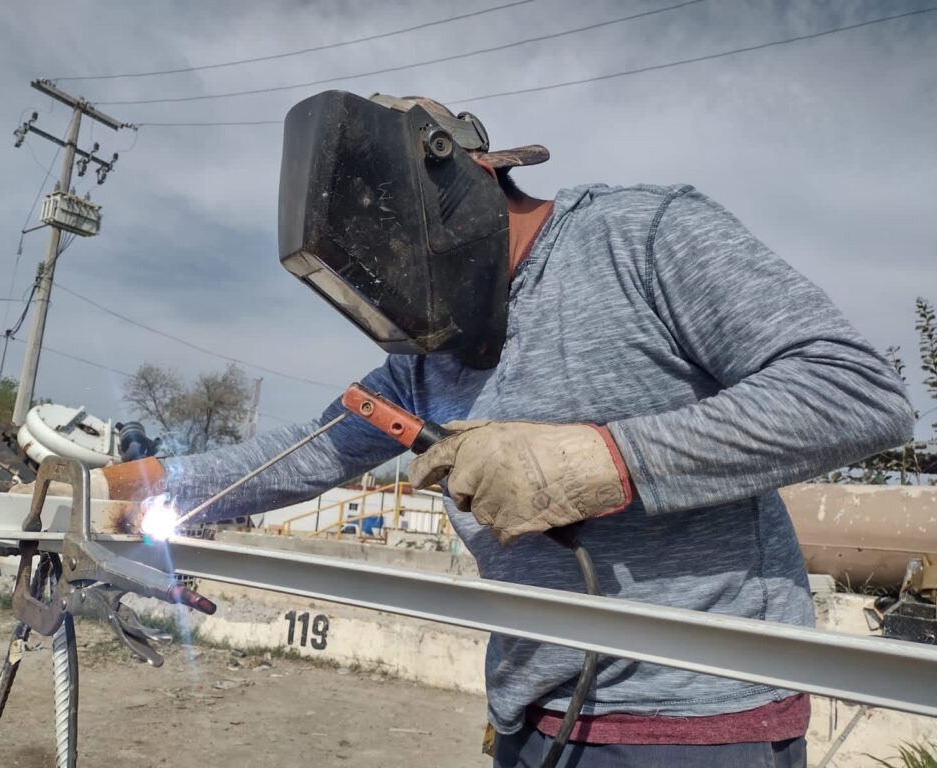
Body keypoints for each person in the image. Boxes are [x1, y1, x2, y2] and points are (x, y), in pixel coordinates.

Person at [45, 91, 914, 767]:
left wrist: (606, 459)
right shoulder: (427, 356)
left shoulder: (641, 237)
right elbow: (303, 454)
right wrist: (131, 488)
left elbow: (853, 391)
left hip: (701, 722)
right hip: (533, 714)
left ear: (457, 180)